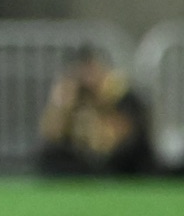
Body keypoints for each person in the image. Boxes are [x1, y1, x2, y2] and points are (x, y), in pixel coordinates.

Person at [37, 47, 153, 175]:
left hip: (121, 160)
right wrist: (61, 103)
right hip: (84, 161)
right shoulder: (74, 96)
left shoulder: (121, 95)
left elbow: (124, 138)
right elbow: (52, 134)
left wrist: (104, 101)